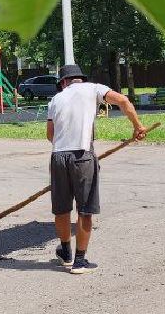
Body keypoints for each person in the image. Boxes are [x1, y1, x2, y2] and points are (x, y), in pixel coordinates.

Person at [46, 63, 146, 274]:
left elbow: (50, 135)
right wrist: (138, 126)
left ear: (63, 82)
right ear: (80, 79)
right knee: (85, 209)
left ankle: (66, 253)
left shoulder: (55, 99)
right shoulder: (94, 89)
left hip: (58, 157)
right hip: (82, 156)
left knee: (62, 209)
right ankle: (80, 262)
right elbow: (123, 100)